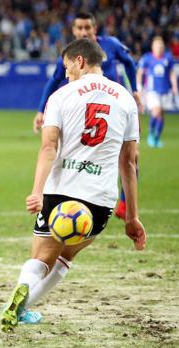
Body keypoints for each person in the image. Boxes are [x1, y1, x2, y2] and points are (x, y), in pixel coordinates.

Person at [1, 38, 146, 332]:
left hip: (59, 190)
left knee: (41, 258)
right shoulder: (125, 99)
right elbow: (129, 162)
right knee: (66, 256)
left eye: (67, 67)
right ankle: (25, 308)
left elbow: (48, 148)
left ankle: (20, 297)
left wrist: (37, 192)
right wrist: (131, 216)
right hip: (99, 198)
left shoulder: (61, 95)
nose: (65, 73)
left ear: (80, 61)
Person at [31, 12, 143, 221]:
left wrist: (134, 90)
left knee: (130, 155)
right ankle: (80, 196)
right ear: (73, 31)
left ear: (95, 28)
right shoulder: (70, 55)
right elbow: (55, 80)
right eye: (79, 28)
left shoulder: (111, 45)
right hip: (84, 111)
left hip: (115, 108)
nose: (83, 32)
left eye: (87, 28)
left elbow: (129, 63)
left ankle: (125, 203)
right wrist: (41, 110)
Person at [137, 36, 178, 148]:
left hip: (165, 90)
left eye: (161, 46)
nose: (159, 48)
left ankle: (157, 138)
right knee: (156, 112)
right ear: (153, 47)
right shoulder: (147, 58)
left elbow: (172, 73)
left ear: (163, 47)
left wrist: (174, 85)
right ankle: (151, 134)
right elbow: (140, 73)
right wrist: (139, 88)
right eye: (157, 46)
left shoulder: (168, 58)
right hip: (152, 90)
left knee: (162, 115)